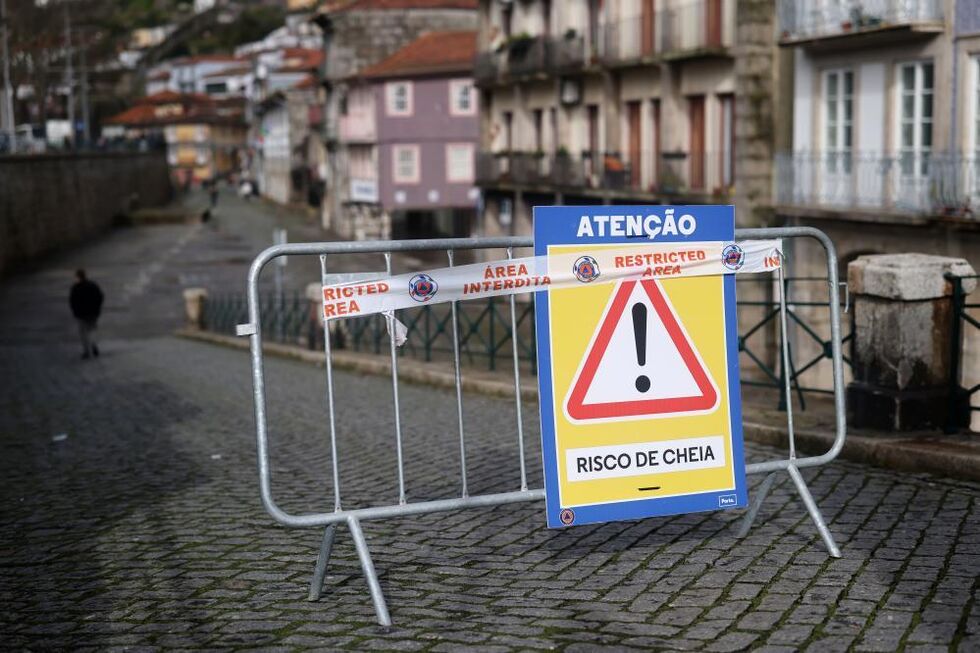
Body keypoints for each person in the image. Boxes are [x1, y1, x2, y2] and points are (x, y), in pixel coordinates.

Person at [69, 270, 104, 359]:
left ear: (78, 277)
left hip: (81, 314)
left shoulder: (75, 288)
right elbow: (100, 297)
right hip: (93, 313)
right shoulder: (93, 285)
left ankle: (86, 351)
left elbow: (72, 302)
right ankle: (94, 345)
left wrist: (75, 312)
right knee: (92, 330)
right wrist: (97, 309)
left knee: (83, 333)